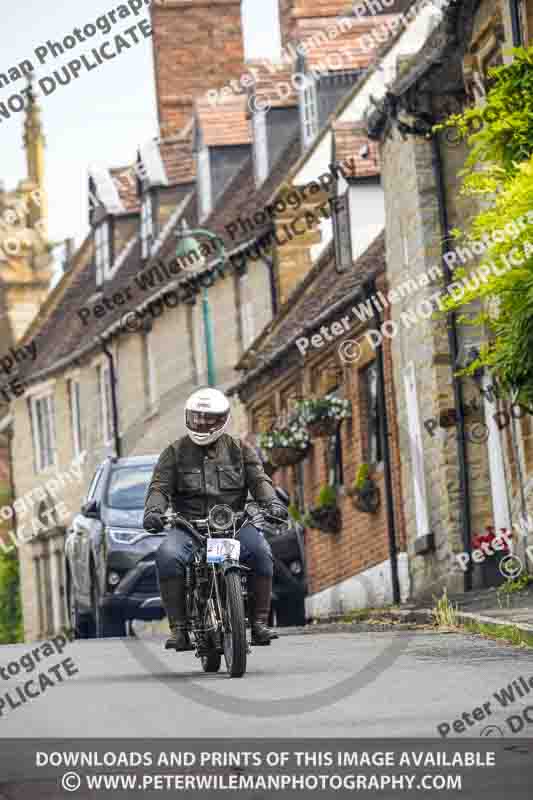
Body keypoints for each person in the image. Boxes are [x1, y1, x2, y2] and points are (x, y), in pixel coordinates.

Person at [143, 387, 288, 652]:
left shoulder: (241, 450)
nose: (202, 423)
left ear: (222, 420)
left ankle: (258, 623)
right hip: (189, 528)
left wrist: (272, 504)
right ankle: (180, 629)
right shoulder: (173, 453)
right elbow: (159, 488)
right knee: (167, 555)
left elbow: (259, 480)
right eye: (197, 417)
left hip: (233, 525)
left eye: (208, 419)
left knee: (261, 551)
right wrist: (153, 511)